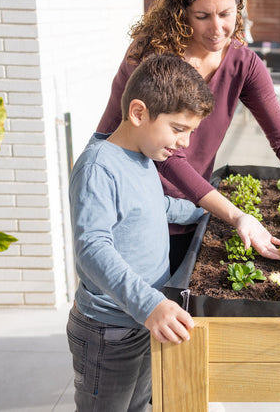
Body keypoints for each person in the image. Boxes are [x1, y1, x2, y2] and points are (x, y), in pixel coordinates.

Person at [97, 0, 280, 275]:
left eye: (226, 14)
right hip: (130, 198)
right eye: (202, 16)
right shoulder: (153, 57)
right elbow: (165, 156)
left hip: (186, 203)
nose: (217, 29)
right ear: (180, 12)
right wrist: (236, 214)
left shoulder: (243, 62)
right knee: (136, 312)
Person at [67, 54, 214, 411]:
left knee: (140, 405)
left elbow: (157, 207)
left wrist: (208, 212)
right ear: (138, 113)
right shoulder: (99, 166)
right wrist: (150, 305)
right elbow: (92, 250)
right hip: (108, 332)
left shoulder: (143, 157)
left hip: (143, 320)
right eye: (179, 129)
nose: (185, 143)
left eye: (190, 132)